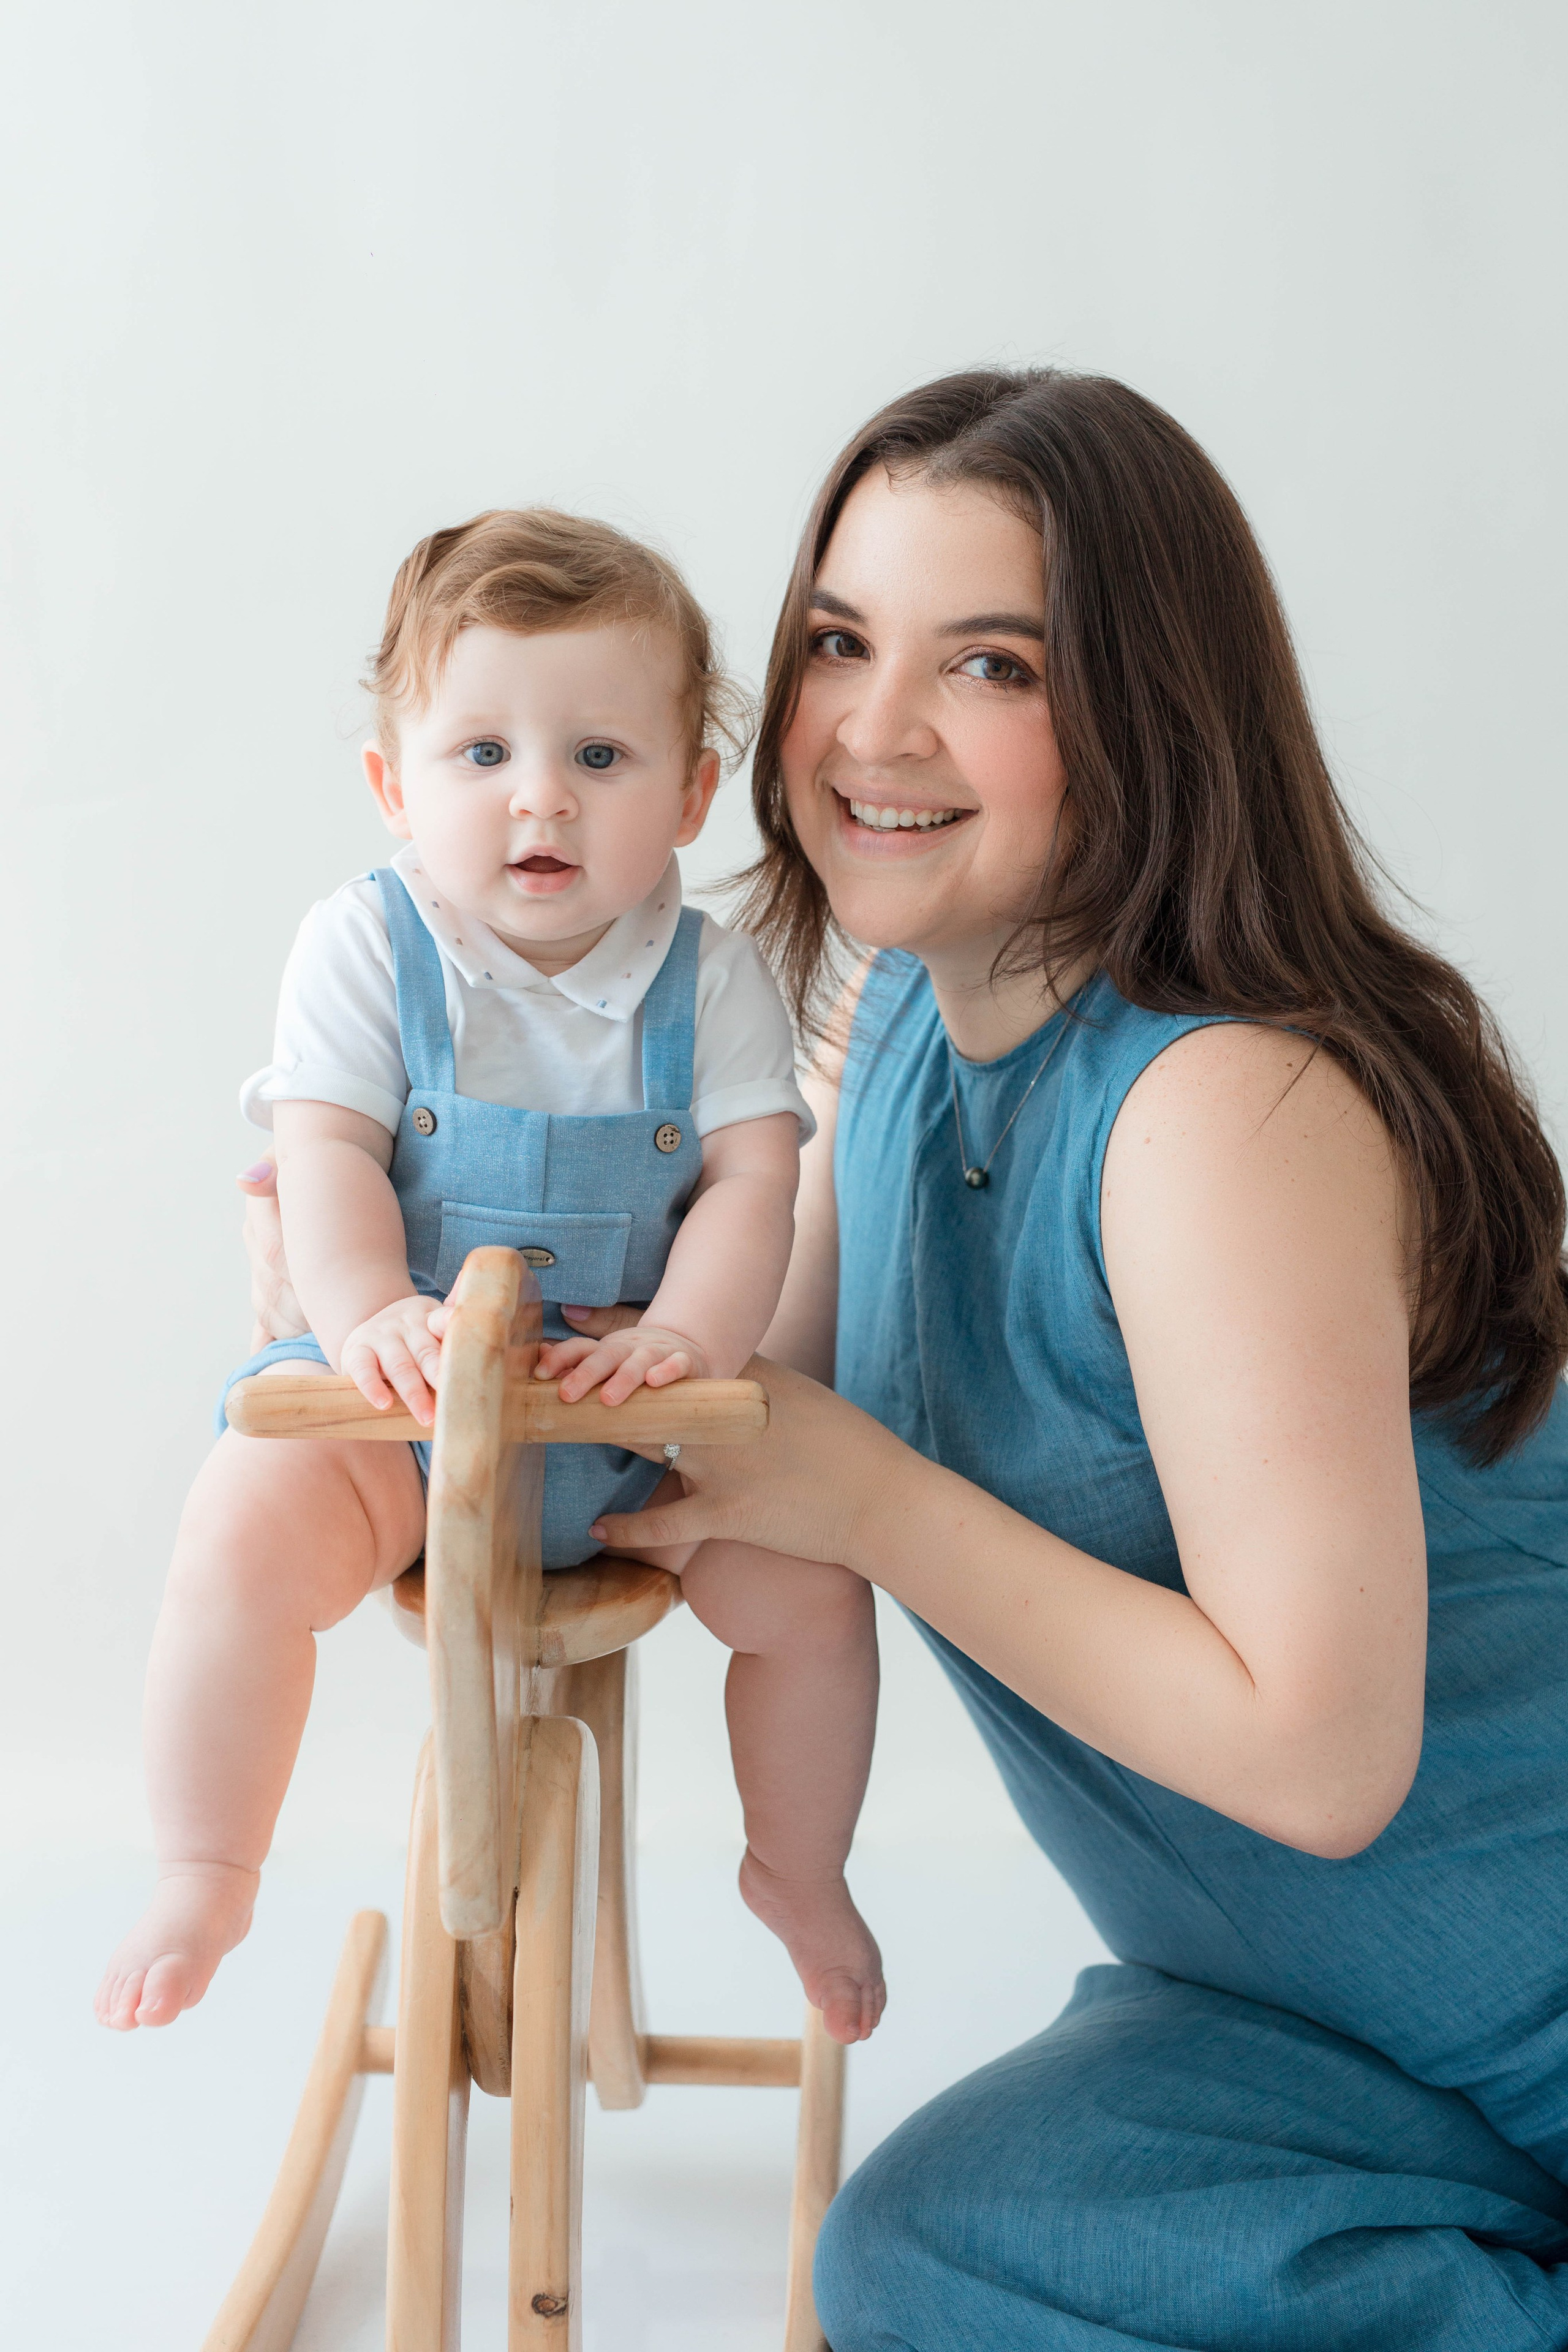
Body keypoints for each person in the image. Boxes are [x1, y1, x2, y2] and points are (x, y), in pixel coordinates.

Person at [238, 372, 1568, 2350]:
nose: (875, 727)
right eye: (839, 643)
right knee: (919, 2257)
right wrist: (366, 1279)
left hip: (1512, 1993)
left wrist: (857, 1496)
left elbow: (1321, 1754)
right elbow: (707, 1426)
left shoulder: (1223, 1108)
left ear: (1148, 712)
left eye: (994, 664)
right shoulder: (885, 1043)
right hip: (1318, 2042)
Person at [96, 510, 884, 2048]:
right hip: (396, 1410)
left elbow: (751, 1182)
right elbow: (322, 1154)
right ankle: (206, 1863)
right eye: (481, 756)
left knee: (814, 1588)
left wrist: (684, 1336)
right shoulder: (364, 946)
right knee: (240, 1524)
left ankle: (798, 1867)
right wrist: (366, 1306)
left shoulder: (708, 975)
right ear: (394, 787)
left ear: (691, 794)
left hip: (635, 1430)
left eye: (600, 757)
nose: (541, 799)